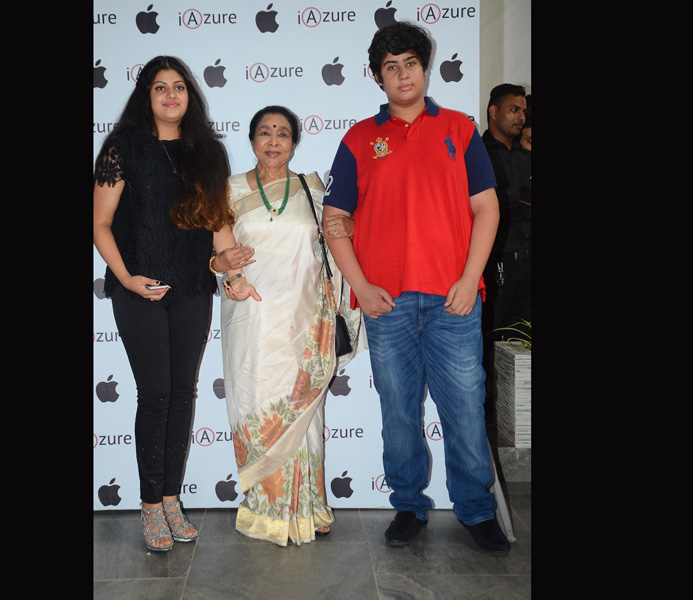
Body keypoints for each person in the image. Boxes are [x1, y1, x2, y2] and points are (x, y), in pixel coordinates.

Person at [322, 22, 510, 556]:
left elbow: (486, 208)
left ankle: (476, 509)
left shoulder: (459, 129)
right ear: (377, 77)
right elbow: (335, 218)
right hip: (388, 303)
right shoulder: (359, 139)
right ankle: (408, 505)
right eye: (390, 66)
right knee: (399, 409)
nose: (402, 74)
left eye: (410, 63)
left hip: (455, 299)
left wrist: (470, 279)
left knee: (465, 406)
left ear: (425, 69)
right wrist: (360, 285)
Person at [93, 55, 254, 553]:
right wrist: (126, 279)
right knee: (156, 393)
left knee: (183, 393)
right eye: (160, 87)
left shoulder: (206, 151)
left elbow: (216, 221)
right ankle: (148, 505)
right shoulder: (122, 149)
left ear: (190, 96)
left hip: (189, 287)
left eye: (179, 87)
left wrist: (232, 267)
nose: (170, 95)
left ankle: (170, 500)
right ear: (146, 94)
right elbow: (99, 223)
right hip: (137, 286)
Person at [212, 105, 360, 547]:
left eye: (282, 133)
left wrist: (349, 224)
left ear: (294, 142)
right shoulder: (228, 190)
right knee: (258, 401)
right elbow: (217, 255)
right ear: (252, 140)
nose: (273, 140)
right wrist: (220, 265)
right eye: (264, 132)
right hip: (252, 319)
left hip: (303, 318)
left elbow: (338, 242)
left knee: (304, 417)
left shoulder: (313, 189)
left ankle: (309, 508)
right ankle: (267, 513)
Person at [481, 84, 532, 421]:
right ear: (494, 112)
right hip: (494, 267)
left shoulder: (526, 156)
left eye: (523, 111)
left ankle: (518, 423)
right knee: (486, 348)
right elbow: (490, 204)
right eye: (514, 109)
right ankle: (486, 425)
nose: (521, 116)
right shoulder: (478, 155)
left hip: (527, 267)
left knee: (522, 347)